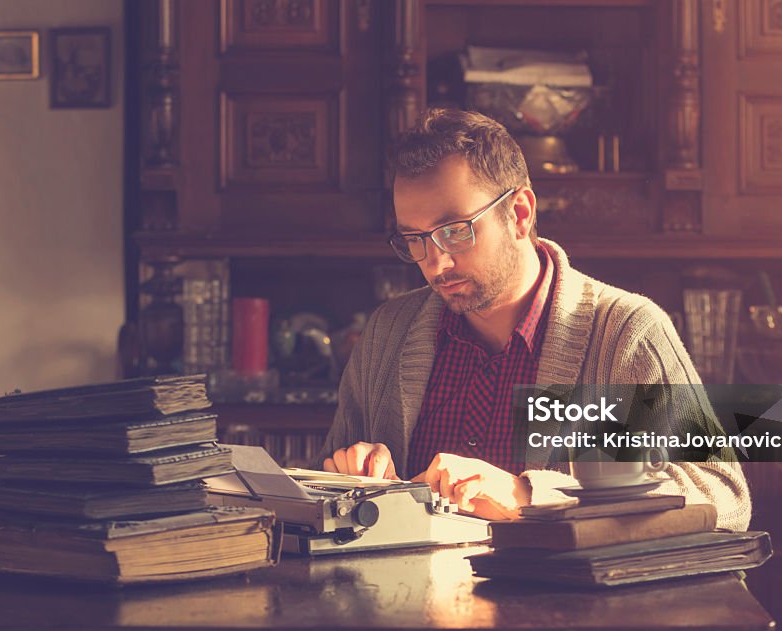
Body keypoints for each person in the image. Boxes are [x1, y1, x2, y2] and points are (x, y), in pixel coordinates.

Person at [320, 108, 751, 530]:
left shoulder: (625, 333)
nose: (436, 264)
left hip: (574, 601)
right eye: (415, 239)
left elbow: (724, 498)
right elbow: (317, 499)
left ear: (520, 214)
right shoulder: (386, 333)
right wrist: (346, 480)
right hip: (409, 598)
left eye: (455, 230)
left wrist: (529, 496)